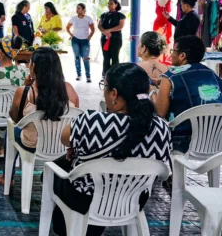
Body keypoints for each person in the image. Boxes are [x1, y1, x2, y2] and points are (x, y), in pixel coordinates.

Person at [50, 63, 171, 236]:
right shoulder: (162, 128)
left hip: (86, 199)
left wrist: (78, 147)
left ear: (114, 93)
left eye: (104, 86)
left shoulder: (91, 121)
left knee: (57, 169)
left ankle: (66, 228)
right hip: (134, 199)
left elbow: (64, 139)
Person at [0, 47, 79, 186]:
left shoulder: (26, 91)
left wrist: (25, 86)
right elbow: (75, 121)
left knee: (10, 129)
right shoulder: (69, 89)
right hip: (61, 144)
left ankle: (7, 176)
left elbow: (15, 118)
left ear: (34, 67)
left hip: (32, 143)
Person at [152, 36, 222, 153]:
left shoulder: (170, 75)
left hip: (183, 142)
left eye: (173, 51)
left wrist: (155, 95)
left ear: (182, 56)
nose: (171, 54)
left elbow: (160, 113)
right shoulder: (212, 73)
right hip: (216, 140)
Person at [66, 3, 95, 82]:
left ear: (83, 10)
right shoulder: (73, 18)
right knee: (77, 57)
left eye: (79, 8)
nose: (77, 10)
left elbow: (93, 29)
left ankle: (88, 76)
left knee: (85, 58)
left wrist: (89, 37)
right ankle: (79, 75)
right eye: (76, 8)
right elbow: (67, 27)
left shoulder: (88, 18)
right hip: (75, 40)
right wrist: (71, 35)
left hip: (85, 40)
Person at [98, 0, 126, 77]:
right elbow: (99, 25)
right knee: (106, 57)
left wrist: (109, 30)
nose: (109, 5)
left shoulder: (120, 15)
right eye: (108, 4)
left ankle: (115, 75)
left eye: (111, 4)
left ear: (116, 5)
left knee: (115, 57)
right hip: (105, 38)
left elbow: (120, 26)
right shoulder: (103, 15)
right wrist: (105, 31)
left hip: (115, 39)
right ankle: (105, 74)